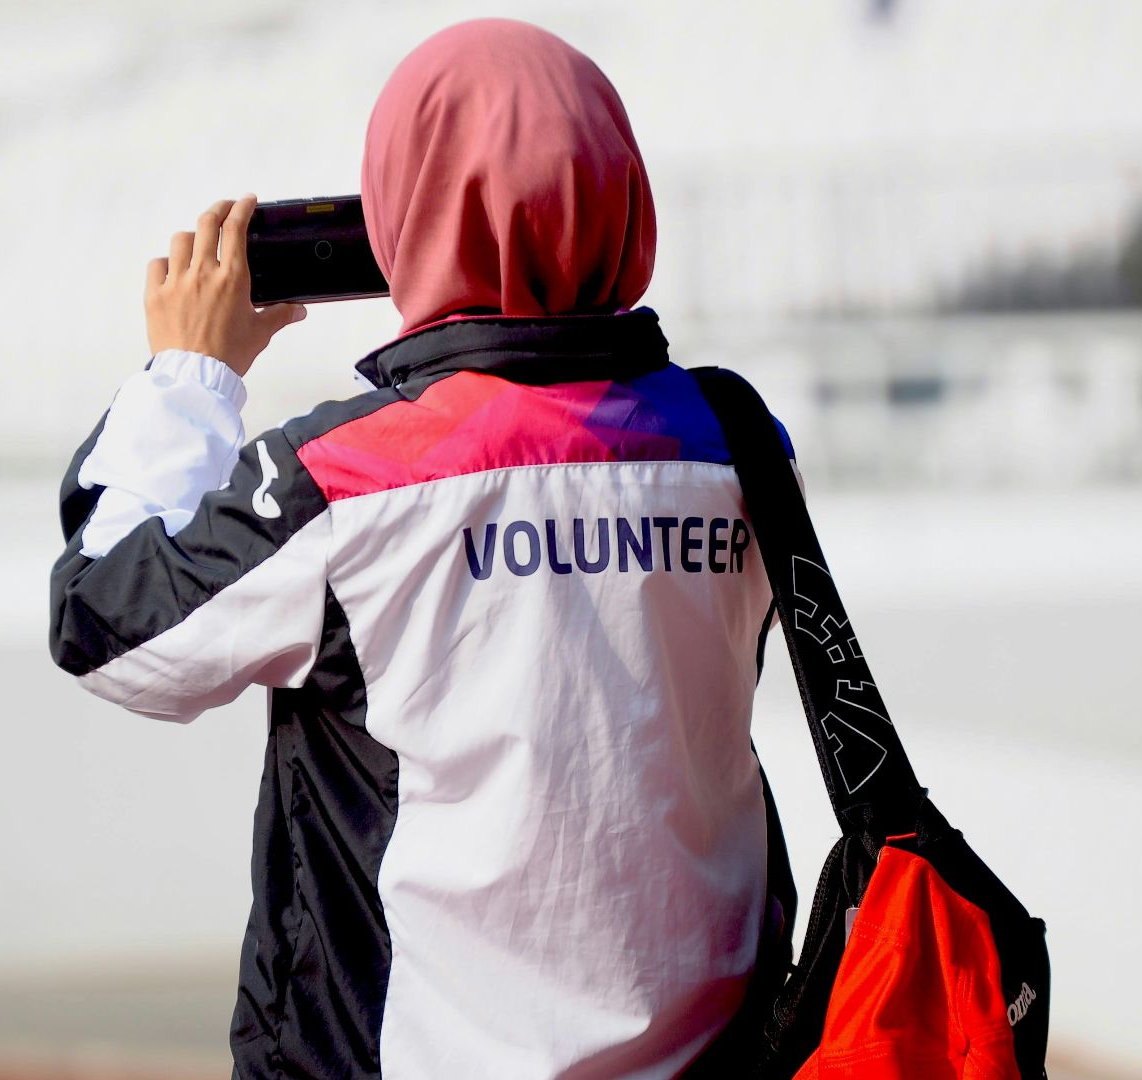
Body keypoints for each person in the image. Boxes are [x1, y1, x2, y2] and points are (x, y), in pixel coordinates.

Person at [49, 18, 793, 1079]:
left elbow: (107, 624)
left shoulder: (346, 478)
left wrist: (187, 377)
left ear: (408, 215)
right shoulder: (741, 443)